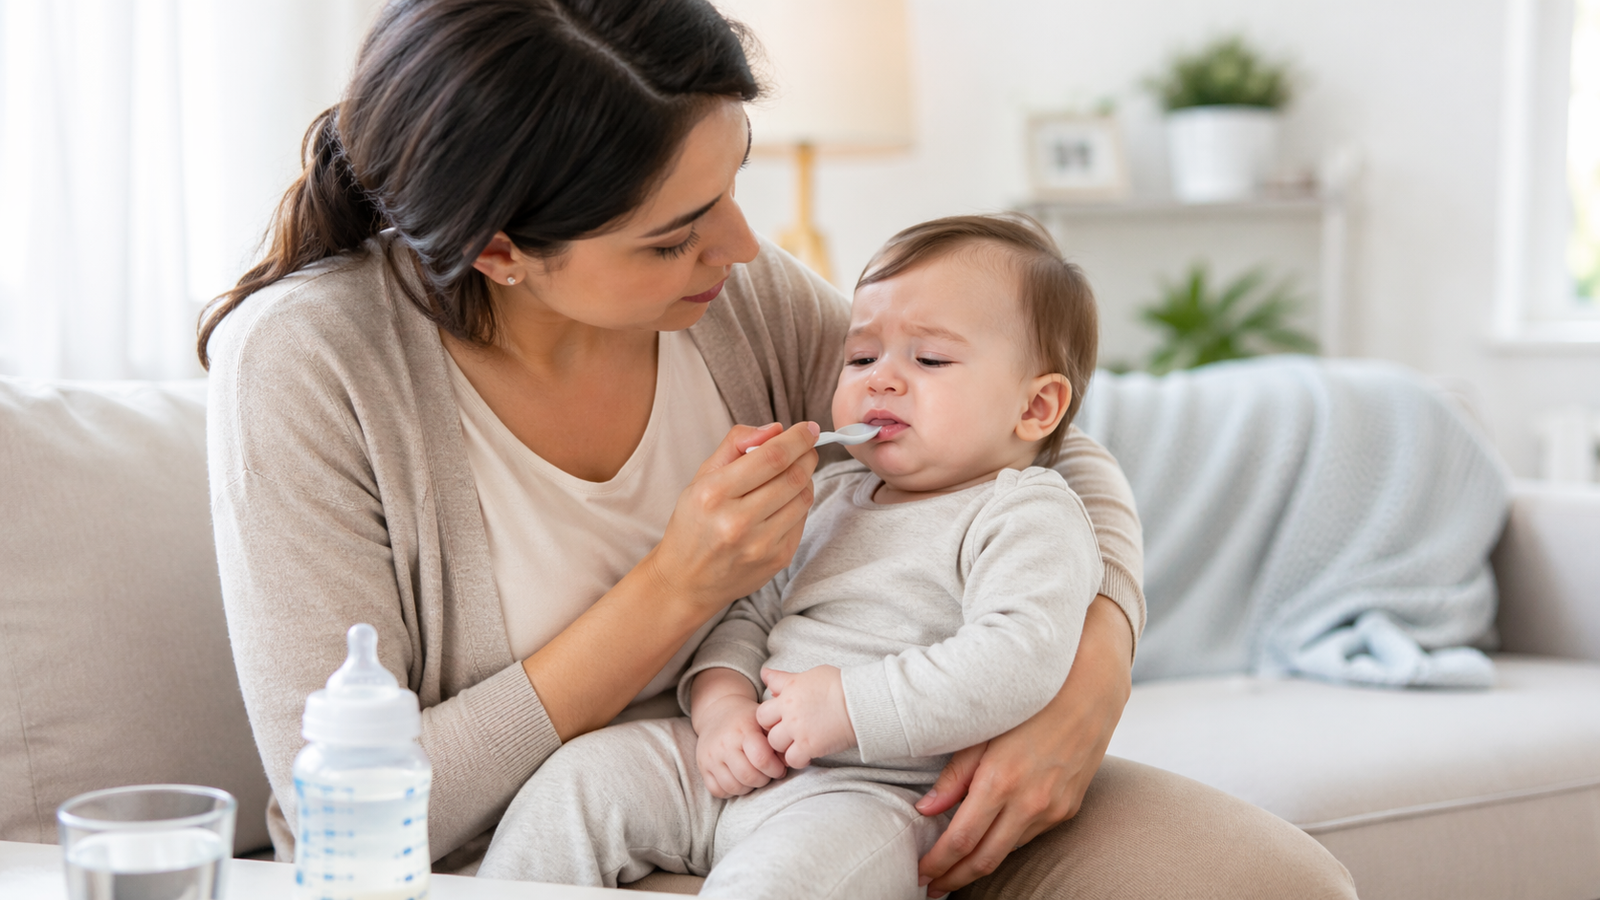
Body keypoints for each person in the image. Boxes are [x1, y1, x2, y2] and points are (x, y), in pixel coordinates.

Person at [200, 1, 1357, 897]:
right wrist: (674, 593)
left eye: (735, 177)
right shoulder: (314, 364)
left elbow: (1042, 449)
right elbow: (335, 807)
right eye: (673, 237)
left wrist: (1088, 679)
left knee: (1274, 883)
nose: (742, 246)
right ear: (503, 252)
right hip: (565, 828)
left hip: (862, 785)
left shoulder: (739, 300)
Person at [475, 215, 1106, 899]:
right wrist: (722, 707)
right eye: (861, 358)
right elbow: (747, 611)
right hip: (733, 757)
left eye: (928, 360)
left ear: (1037, 406)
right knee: (579, 781)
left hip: (869, 793)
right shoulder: (830, 492)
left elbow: (1017, 656)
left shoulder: (1025, 513)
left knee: (784, 883)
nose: (881, 381)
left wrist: (852, 705)